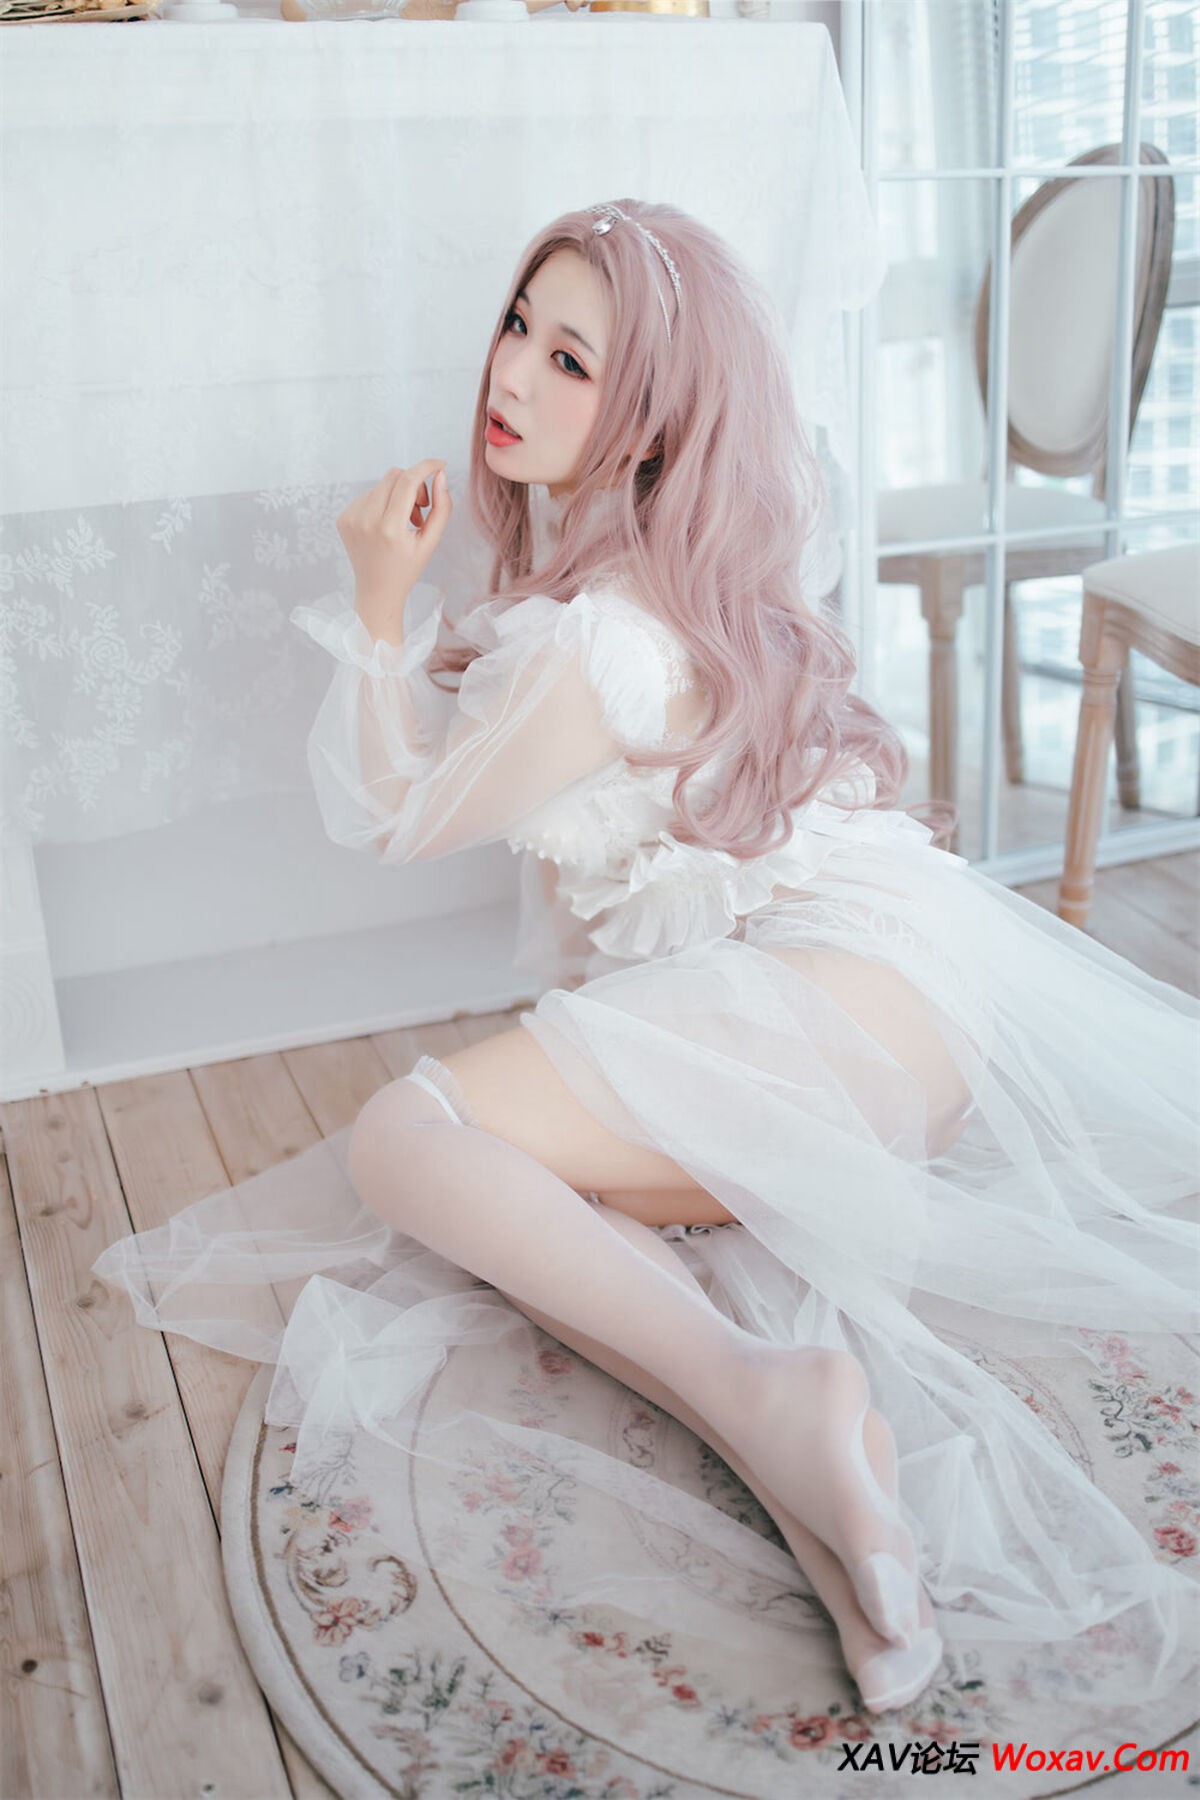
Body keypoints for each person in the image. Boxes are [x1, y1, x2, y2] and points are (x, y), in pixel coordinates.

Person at [93, 200, 1199, 1723]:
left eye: (572, 360)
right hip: (906, 1025)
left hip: (842, 1007)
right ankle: (811, 1488)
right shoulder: (648, 582)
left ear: (655, 421)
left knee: (409, 1140)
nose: (513, 376)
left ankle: (764, 1391)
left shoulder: (593, 639)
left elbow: (395, 819)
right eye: (518, 327)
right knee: (542, 1209)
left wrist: (375, 602)